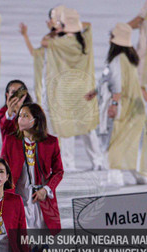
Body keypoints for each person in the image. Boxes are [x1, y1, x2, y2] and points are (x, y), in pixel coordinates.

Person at [1, 103, 63, 252]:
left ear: (35, 120)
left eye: (25, 116)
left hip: (40, 202)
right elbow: (2, 168)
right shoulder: (10, 141)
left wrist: (47, 189)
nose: (20, 119)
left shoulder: (50, 142)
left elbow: (59, 171)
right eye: (19, 116)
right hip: (17, 198)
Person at [35, 7, 103, 171]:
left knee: (66, 128)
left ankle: (68, 163)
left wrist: (54, 29)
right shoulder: (85, 38)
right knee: (87, 127)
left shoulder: (59, 42)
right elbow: (88, 24)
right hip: (84, 90)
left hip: (65, 92)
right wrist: (69, 24)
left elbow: (43, 42)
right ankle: (98, 160)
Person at [85, 23, 147, 186]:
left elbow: (117, 85)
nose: (109, 40)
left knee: (114, 143)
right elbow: (109, 78)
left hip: (124, 108)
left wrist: (113, 104)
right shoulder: (129, 59)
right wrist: (96, 91)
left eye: (111, 36)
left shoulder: (117, 60)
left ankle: (115, 178)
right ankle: (140, 176)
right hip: (135, 108)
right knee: (128, 143)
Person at [0, 79, 33, 144]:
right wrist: (10, 112)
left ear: (25, 95)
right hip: (11, 150)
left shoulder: (32, 110)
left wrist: (20, 109)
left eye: (19, 92)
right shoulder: (3, 111)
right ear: (7, 95)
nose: (17, 96)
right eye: (13, 92)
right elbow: (3, 124)